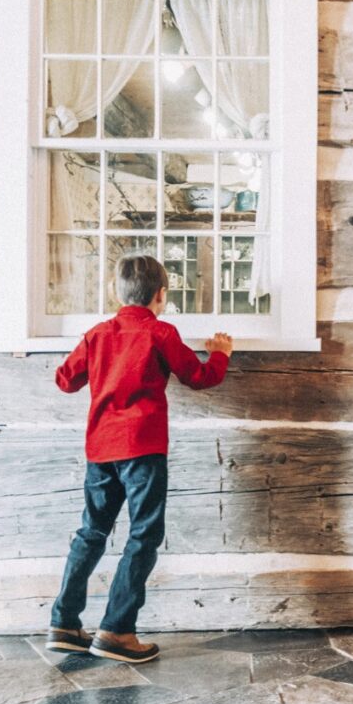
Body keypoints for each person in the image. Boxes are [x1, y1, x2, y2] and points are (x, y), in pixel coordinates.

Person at [46, 254, 233, 664]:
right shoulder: (160, 333)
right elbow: (200, 377)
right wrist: (219, 353)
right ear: (161, 295)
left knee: (91, 532)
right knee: (143, 535)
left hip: (101, 451)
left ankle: (64, 622)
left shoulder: (98, 334)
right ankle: (117, 630)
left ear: (117, 292)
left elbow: (65, 380)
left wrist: (97, 364)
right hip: (143, 450)